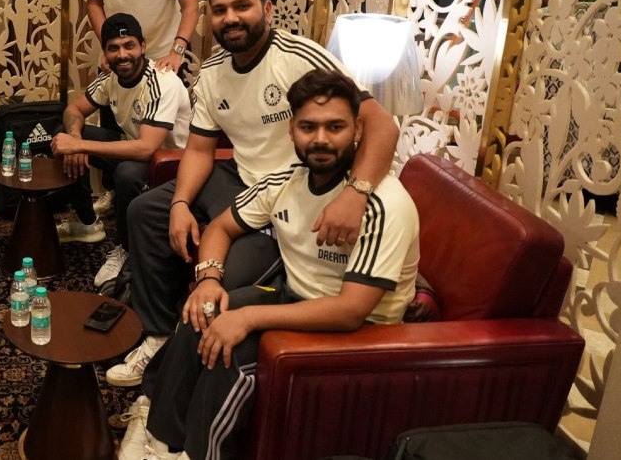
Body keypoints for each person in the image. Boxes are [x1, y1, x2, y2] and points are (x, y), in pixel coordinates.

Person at [107, 0, 399, 387]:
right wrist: (181, 203)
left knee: (231, 278)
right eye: (220, 10)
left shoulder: (299, 57)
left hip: (292, 190)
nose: (231, 18)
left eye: (242, 6)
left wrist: (355, 193)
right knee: (144, 210)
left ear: (267, 8)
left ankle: (180, 362)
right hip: (240, 177)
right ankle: (155, 333)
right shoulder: (212, 71)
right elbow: (200, 149)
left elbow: (381, 124)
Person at [119, 69, 419, 460]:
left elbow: (351, 311)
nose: (321, 139)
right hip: (293, 297)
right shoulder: (286, 181)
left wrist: (248, 318)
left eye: (335, 127)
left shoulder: (381, 203)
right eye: (308, 127)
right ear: (291, 130)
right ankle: (161, 437)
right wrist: (209, 279)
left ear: (358, 129)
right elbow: (220, 228)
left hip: (361, 333)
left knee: (229, 352)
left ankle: (199, 454)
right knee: (202, 312)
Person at [49, 13, 191, 288]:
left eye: (129, 46)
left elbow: (147, 148)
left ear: (143, 46)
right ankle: (85, 222)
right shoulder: (111, 78)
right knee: (63, 134)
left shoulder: (162, 81)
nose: (122, 54)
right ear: (106, 53)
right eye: (114, 48)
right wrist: (75, 137)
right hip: (138, 149)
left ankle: (125, 249)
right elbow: (74, 108)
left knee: (126, 172)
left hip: (172, 164)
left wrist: (80, 145)